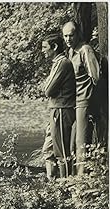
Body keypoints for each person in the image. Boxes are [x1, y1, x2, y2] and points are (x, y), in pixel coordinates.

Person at [62, 21, 100, 175]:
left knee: (82, 144)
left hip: (84, 101)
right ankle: (73, 178)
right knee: (71, 144)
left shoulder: (85, 50)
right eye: (65, 36)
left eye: (71, 35)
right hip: (73, 102)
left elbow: (96, 77)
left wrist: (93, 103)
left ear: (77, 34)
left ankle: (81, 181)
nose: (68, 39)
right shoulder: (70, 52)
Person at [41, 34, 76, 179]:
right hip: (56, 109)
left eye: (45, 47)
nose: (42, 51)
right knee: (49, 149)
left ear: (54, 47)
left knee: (62, 151)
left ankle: (66, 186)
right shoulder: (57, 63)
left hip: (62, 110)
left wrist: (46, 86)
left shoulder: (62, 63)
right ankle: (54, 183)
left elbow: (48, 90)